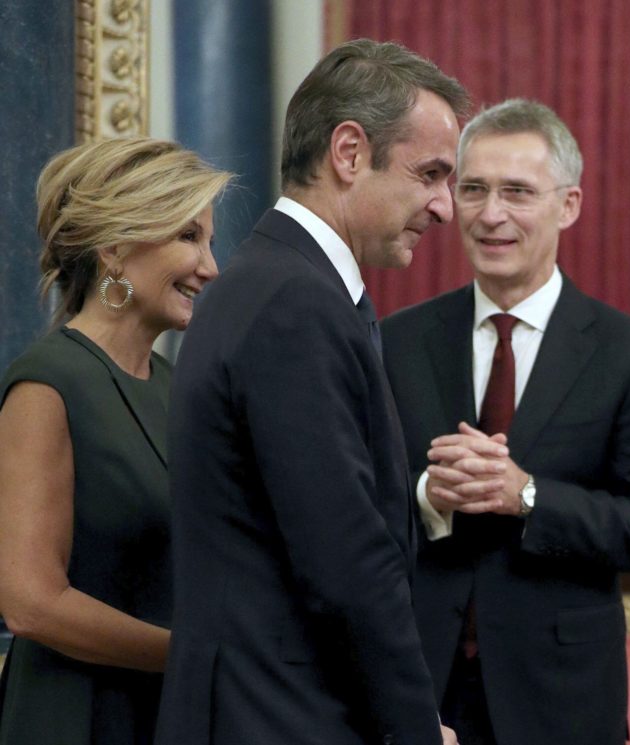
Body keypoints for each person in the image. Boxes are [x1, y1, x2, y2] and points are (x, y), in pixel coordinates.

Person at [154, 40, 469, 745]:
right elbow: (346, 560)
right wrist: (417, 729)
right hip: (278, 718)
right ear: (349, 153)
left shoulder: (274, 284)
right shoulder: (295, 303)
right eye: (431, 175)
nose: (446, 208)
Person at [381, 98, 630, 745]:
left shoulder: (629, 354)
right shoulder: (395, 341)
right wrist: (426, 496)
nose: (491, 214)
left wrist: (527, 495)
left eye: (517, 192)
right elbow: (350, 507)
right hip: (418, 687)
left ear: (568, 204)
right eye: (473, 190)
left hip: (563, 700)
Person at [0, 137, 230, 744]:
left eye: (209, 240)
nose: (210, 266)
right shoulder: (49, 382)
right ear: (115, 248)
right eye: (188, 237)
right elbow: (29, 603)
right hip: (75, 718)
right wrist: (195, 659)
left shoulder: (179, 388)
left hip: (169, 715)